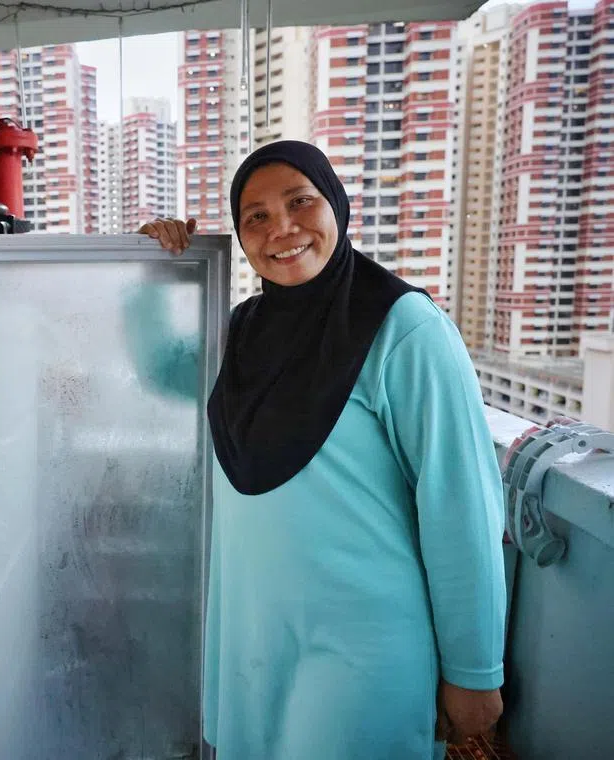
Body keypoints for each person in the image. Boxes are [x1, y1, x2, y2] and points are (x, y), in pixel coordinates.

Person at [138, 140, 506, 760]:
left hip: (362, 645)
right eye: (254, 216)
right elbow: (161, 369)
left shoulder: (404, 327)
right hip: (252, 631)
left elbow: (461, 504)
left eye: (300, 202)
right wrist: (154, 269)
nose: (280, 228)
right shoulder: (246, 329)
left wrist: (474, 672)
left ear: (336, 205)